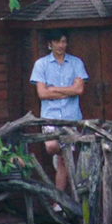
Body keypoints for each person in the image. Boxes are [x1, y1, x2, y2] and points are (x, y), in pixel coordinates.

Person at [29, 29, 87, 194]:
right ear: (50, 44)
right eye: (57, 42)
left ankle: (58, 201)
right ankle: (58, 152)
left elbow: (79, 90)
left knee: (64, 160)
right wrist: (69, 89)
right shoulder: (41, 64)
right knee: (52, 146)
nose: (61, 45)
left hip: (71, 117)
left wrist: (54, 89)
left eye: (63, 41)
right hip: (51, 116)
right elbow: (42, 93)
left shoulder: (76, 63)